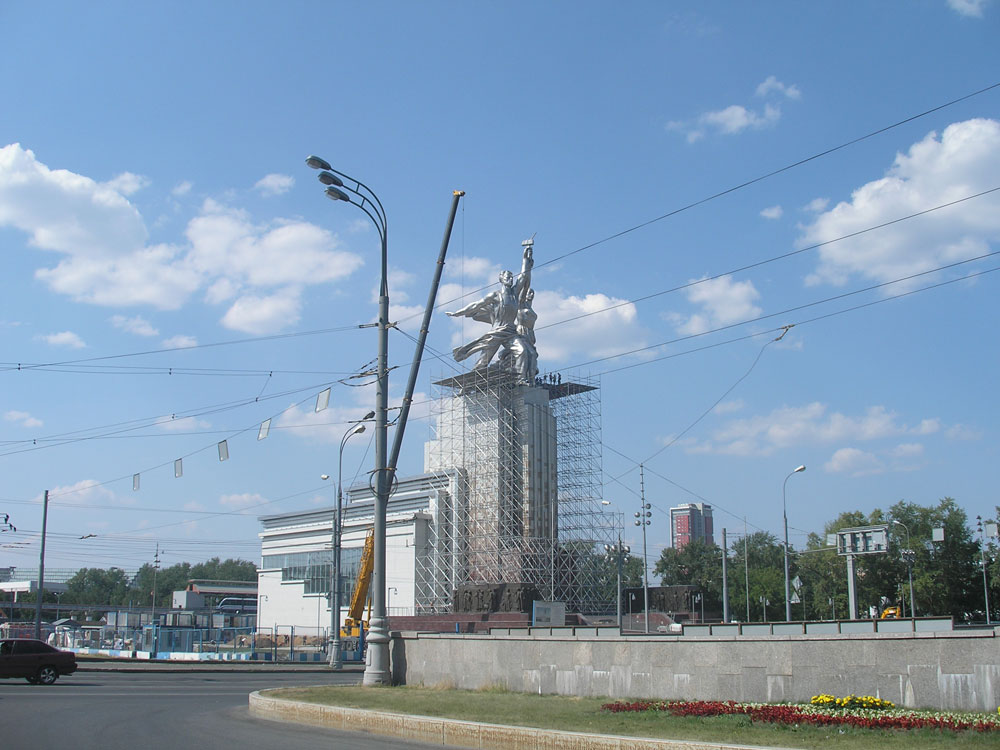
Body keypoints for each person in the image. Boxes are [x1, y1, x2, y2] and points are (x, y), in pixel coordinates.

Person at [447, 242, 535, 381]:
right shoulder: (495, 296)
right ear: (501, 279)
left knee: (522, 351)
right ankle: (468, 385)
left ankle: (521, 379)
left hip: (510, 332)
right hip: (496, 332)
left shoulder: (514, 293)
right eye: (507, 277)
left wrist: (525, 259)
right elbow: (476, 305)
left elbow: (523, 277)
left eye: (511, 277)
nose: (510, 279)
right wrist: (458, 313)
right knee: (483, 362)